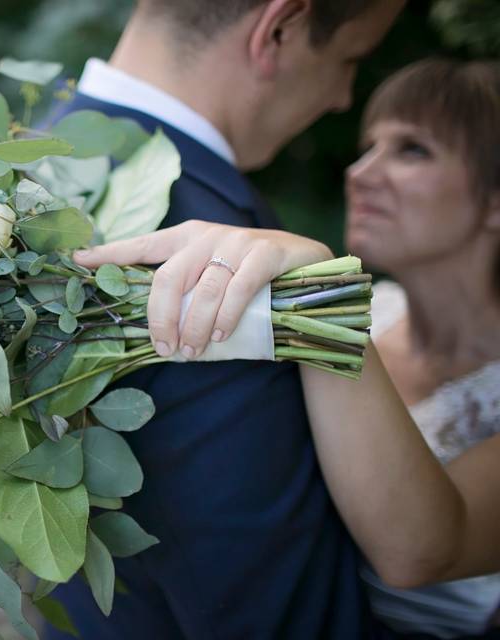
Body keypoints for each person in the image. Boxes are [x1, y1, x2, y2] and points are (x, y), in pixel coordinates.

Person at [74, 58, 500, 638]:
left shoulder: (338, 308)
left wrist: (325, 295)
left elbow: (418, 554)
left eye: (412, 151)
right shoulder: (382, 312)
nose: (361, 172)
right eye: (368, 146)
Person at [42, 0, 405, 638]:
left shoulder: (17, 172)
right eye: (349, 59)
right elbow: (275, 610)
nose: (345, 97)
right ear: (280, 29)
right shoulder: (221, 264)